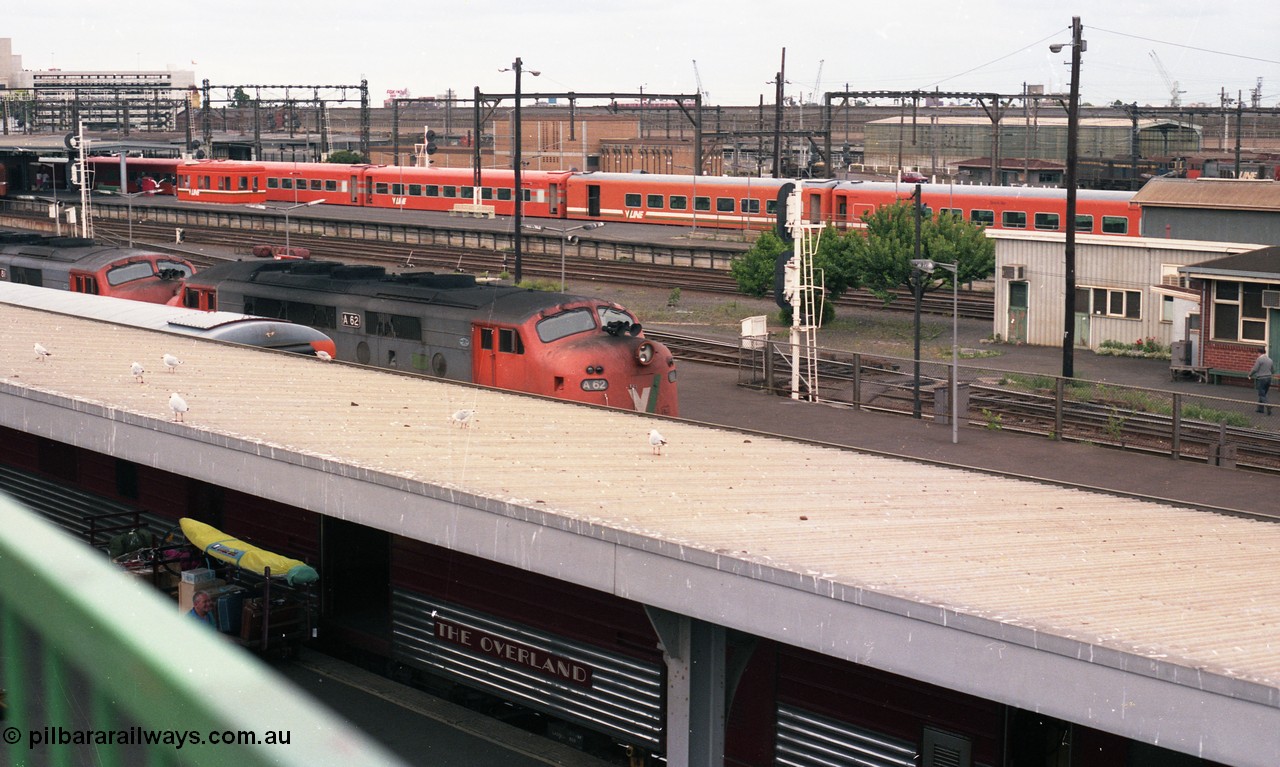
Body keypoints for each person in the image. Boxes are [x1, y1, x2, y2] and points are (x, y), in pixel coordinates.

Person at [1248, 350, 1274, 415]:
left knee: (1261, 394)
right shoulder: (1270, 360)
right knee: (1264, 393)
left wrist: (1250, 375)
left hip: (1262, 378)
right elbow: (1272, 370)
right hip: (1269, 378)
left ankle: (1268, 405)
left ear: (1259, 353)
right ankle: (1260, 409)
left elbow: (1255, 369)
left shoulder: (1259, 359)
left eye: (1257, 353)